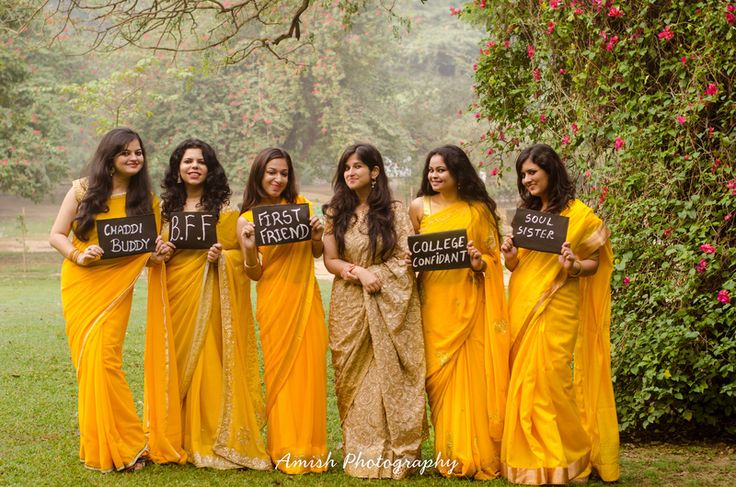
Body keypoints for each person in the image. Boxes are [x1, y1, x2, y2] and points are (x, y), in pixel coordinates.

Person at [49, 127, 174, 472]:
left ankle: (127, 446)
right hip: (82, 284)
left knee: (106, 362)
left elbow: (149, 251)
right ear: (110, 157)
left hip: (118, 290)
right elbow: (57, 235)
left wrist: (160, 251)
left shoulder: (146, 200)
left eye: (138, 152)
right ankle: (110, 445)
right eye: (126, 153)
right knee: (91, 364)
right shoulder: (82, 190)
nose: (134, 158)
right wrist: (78, 255)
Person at [500, 144, 619, 484]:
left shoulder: (580, 215)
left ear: (551, 171)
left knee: (552, 379)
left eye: (532, 172)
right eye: (523, 174)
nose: (526, 180)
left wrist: (575, 265)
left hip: (559, 301)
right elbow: (516, 264)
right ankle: (531, 461)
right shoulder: (528, 215)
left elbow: (595, 261)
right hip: (523, 301)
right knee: (525, 380)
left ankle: (568, 456)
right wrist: (509, 255)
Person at [153, 138, 271, 470]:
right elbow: (153, 254)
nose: (194, 166)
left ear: (210, 169)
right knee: (173, 361)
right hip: (175, 294)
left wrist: (223, 258)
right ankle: (173, 434)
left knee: (207, 360)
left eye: (201, 162)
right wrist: (160, 254)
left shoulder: (226, 210)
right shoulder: (165, 211)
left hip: (211, 295)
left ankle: (208, 435)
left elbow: (243, 258)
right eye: (188, 161)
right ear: (178, 169)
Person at [322, 143, 426, 479]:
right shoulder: (336, 212)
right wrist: (359, 273)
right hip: (349, 305)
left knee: (386, 378)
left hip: (387, 302)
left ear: (375, 172)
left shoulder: (395, 212)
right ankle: (362, 455)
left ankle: (397, 456)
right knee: (353, 380)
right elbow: (331, 259)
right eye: (346, 168)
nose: (350, 173)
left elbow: (404, 259)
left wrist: (377, 275)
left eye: (357, 167)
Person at [408, 144, 509, 479]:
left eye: (441, 170)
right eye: (431, 170)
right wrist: (409, 262)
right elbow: (410, 252)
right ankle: (448, 452)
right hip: (433, 303)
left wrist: (480, 263)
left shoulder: (477, 210)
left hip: (470, 302)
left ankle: (474, 452)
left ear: (457, 172)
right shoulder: (418, 207)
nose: (434, 176)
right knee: (438, 378)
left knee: (471, 379)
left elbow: (493, 259)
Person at [238, 147, 328, 474]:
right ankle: (284, 448)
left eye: (284, 173)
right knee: (280, 375)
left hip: (306, 301)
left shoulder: (301, 206)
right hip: (274, 301)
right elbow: (254, 272)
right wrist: (248, 249)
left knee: (310, 371)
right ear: (259, 175)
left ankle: (312, 449)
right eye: (271, 172)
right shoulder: (247, 219)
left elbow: (316, 253)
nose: (278, 179)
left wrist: (317, 236)